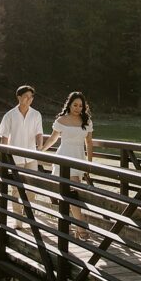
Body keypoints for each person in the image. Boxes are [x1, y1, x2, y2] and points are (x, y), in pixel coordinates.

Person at [41, 91, 94, 241]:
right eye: (75, 105)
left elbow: (89, 143)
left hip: (79, 158)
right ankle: (81, 228)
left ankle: (74, 226)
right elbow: (53, 138)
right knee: (73, 191)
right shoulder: (61, 120)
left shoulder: (87, 121)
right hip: (64, 157)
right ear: (69, 105)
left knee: (74, 193)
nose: (78, 108)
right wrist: (41, 151)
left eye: (80, 106)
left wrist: (89, 164)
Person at [0, 84, 44, 227]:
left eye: (31, 97)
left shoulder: (36, 114)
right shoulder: (9, 115)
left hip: (31, 156)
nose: (29, 99)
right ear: (19, 97)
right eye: (26, 97)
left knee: (31, 187)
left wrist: (39, 148)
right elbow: (4, 137)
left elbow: (39, 133)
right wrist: (4, 156)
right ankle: (17, 218)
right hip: (15, 157)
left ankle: (28, 216)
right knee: (16, 188)